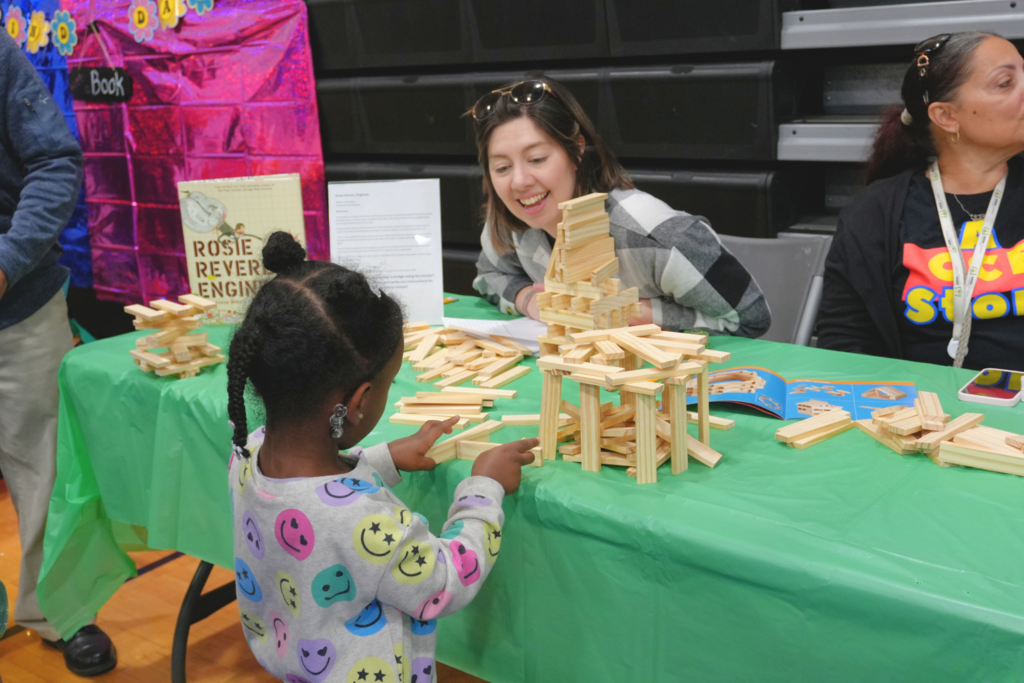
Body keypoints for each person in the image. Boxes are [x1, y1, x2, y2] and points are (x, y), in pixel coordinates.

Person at [226, 232, 537, 682]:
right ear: (357, 402)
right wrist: (483, 490)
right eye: (389, 384)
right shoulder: (364, 519)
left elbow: (314, 498)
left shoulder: (248, 451)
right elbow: (446, 582)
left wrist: (382, 459)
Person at [471, 79, 770, 338]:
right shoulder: (510, 220)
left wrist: (631, 312)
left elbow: (750, 319)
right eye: (502, 167)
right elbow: (489, 274)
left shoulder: (659, 236)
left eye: (537, 159)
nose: (519, 182)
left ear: (576, 150)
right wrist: (529, 300)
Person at [0, 32, 117, 675]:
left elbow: (54, 161)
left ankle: (59, 610)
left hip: (17, 303)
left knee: (45, 465)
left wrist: (7, 260)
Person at [818, 32, 1024, 372]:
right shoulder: (874, 212)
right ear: (947, 117)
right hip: (918, 402)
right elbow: (846, 344)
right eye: (1005, 83)